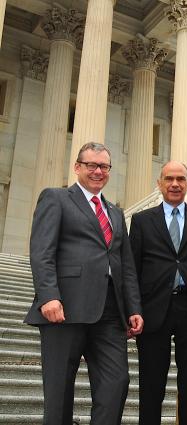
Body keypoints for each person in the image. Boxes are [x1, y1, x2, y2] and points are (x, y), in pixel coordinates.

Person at [24, 142, 143, 425]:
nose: (98, 171)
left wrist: (134, 307)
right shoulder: (56, 198)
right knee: (59, 390)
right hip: (64, 308)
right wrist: (48, 296)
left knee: (117, 382)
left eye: (104, 166)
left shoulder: (115, 212)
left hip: (110, 312)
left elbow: (125, 266)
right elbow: (42, 251)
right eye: (92, 165)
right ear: (78, 167)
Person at [128, 161, 187, 425]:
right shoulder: (141, 221)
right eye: (169, 179)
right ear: (159, 184)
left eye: (181, 179)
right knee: (151, 386)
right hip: (153, 311)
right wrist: (133, 309)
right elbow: (133, 269)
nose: (175, 184)